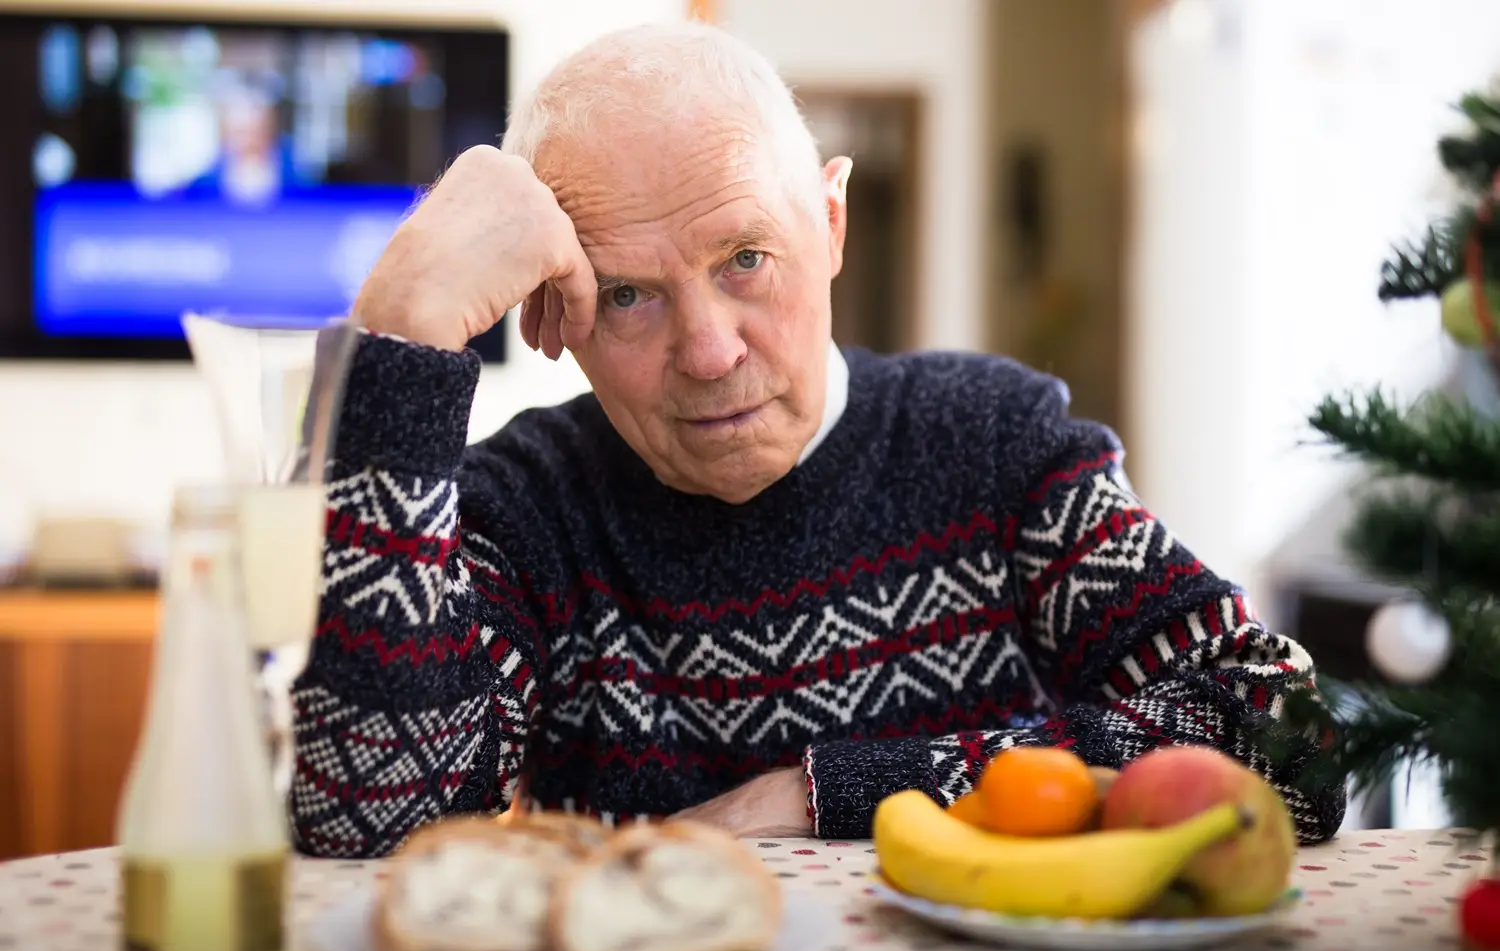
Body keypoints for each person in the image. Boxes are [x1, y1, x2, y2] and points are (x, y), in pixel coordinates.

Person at [291, 21, 1346, 858]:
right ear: (552, 319)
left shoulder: (992, 446)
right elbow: (362, 831)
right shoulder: (529, 504)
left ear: (831, 225)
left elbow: (1286, 736)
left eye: (746, 257)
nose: (708, 350)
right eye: (627, 296)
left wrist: (824, 792)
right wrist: (399, 343)